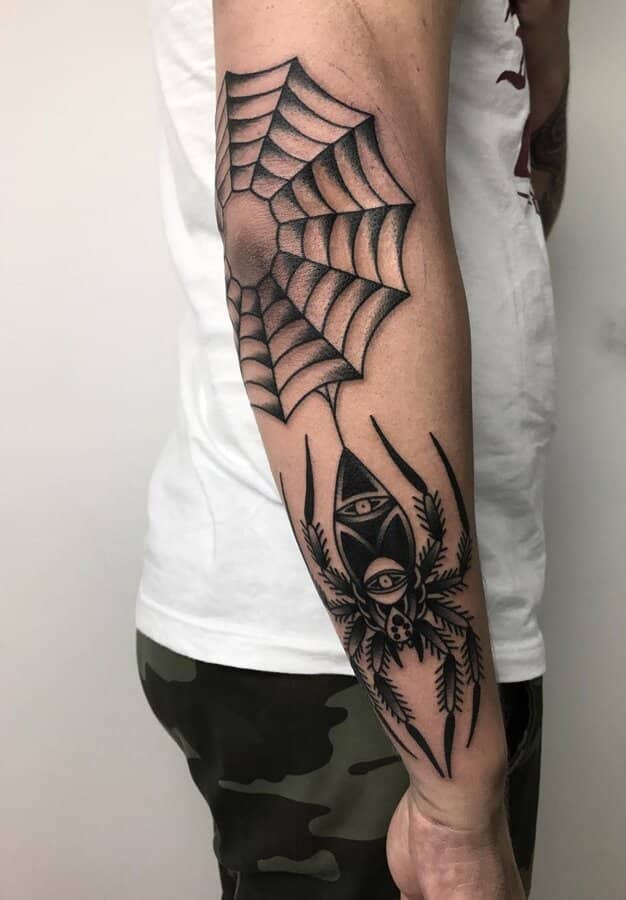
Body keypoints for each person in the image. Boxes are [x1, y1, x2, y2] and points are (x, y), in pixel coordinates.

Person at [136, 1, 569, 897]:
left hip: (407, 640)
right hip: (348, 661)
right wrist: (453, 809)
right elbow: (286, 219)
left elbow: (521, 158)